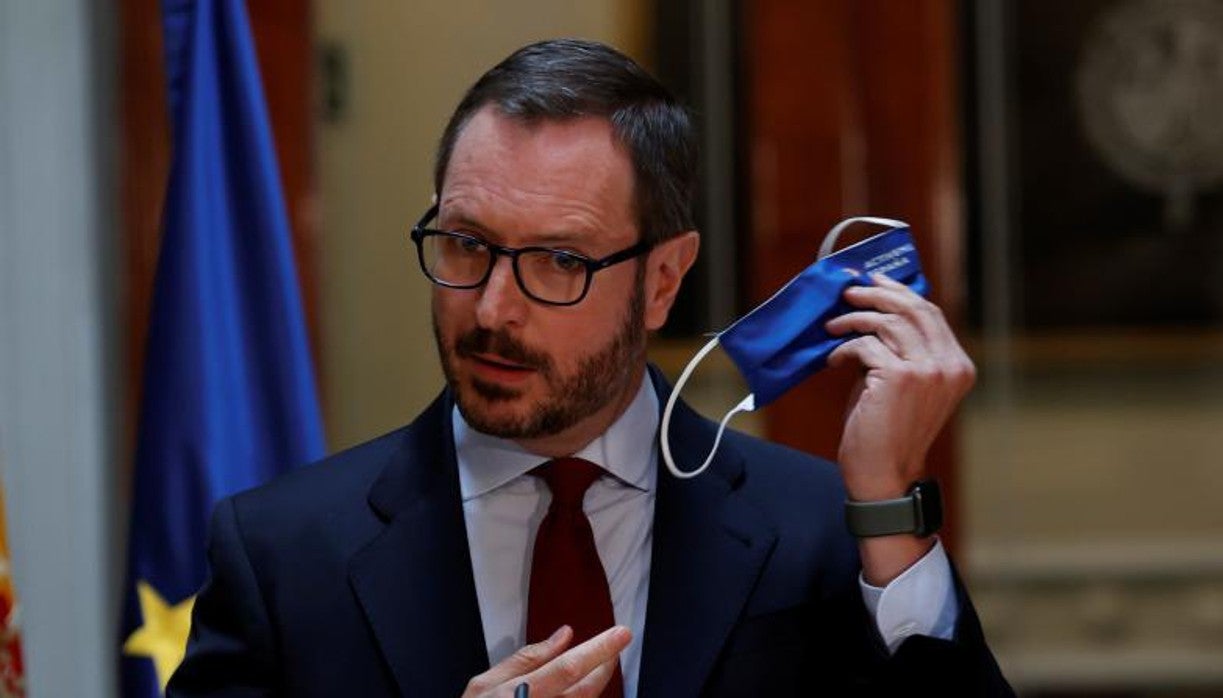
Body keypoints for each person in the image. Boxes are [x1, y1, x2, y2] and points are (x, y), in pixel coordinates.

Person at [168, 38, 1013, 697]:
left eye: (559, 263)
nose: (493, 308)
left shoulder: (822, 531)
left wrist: (888, 507)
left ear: (662, 280)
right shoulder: (281, 556)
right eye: (464, 244)